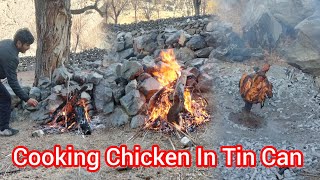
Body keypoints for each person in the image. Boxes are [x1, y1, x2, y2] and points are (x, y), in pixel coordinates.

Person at [0, 28, 38, 136]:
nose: (28, 48)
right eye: (27, 45)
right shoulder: (12, 57)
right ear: (19, 43)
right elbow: (13, 82)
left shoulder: (8, 43)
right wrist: (27, 98)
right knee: (5, 98)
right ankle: (3, 129)